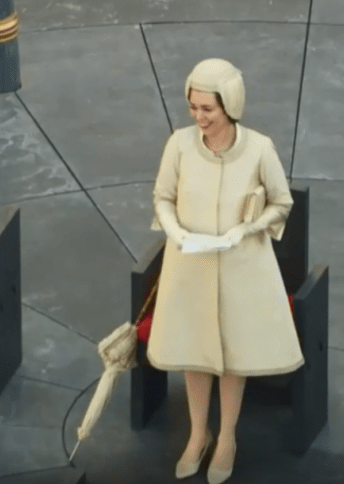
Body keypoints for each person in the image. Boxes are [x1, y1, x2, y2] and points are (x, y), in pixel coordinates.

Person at [147, 58, 305, 484]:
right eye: (194, 108)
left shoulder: (259, 149)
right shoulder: (179, 145)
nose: (199, 117)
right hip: (191, 263)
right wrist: (175, 228)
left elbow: (281, 202)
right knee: (194, 352)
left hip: (242, 264)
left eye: (208, 110)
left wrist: (246, 228)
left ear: (230, 106)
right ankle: (198, 433)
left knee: (234, 355)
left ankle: (227, 437)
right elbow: (162, 196)